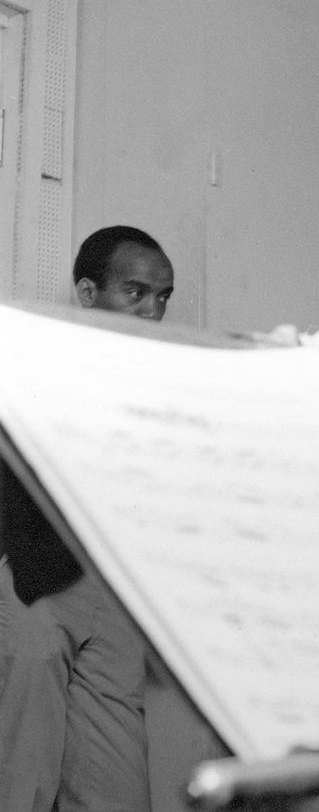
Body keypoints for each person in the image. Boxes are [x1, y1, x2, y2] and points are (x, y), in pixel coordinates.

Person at [0, 225, 174, 812]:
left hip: (116, 602)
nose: (152, 309)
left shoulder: (163, 383)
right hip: (34, 587)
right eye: (136, 291)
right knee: (21, 788)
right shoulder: (30, 355)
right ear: (87, 291)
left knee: (120, 793)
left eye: (162, 296)